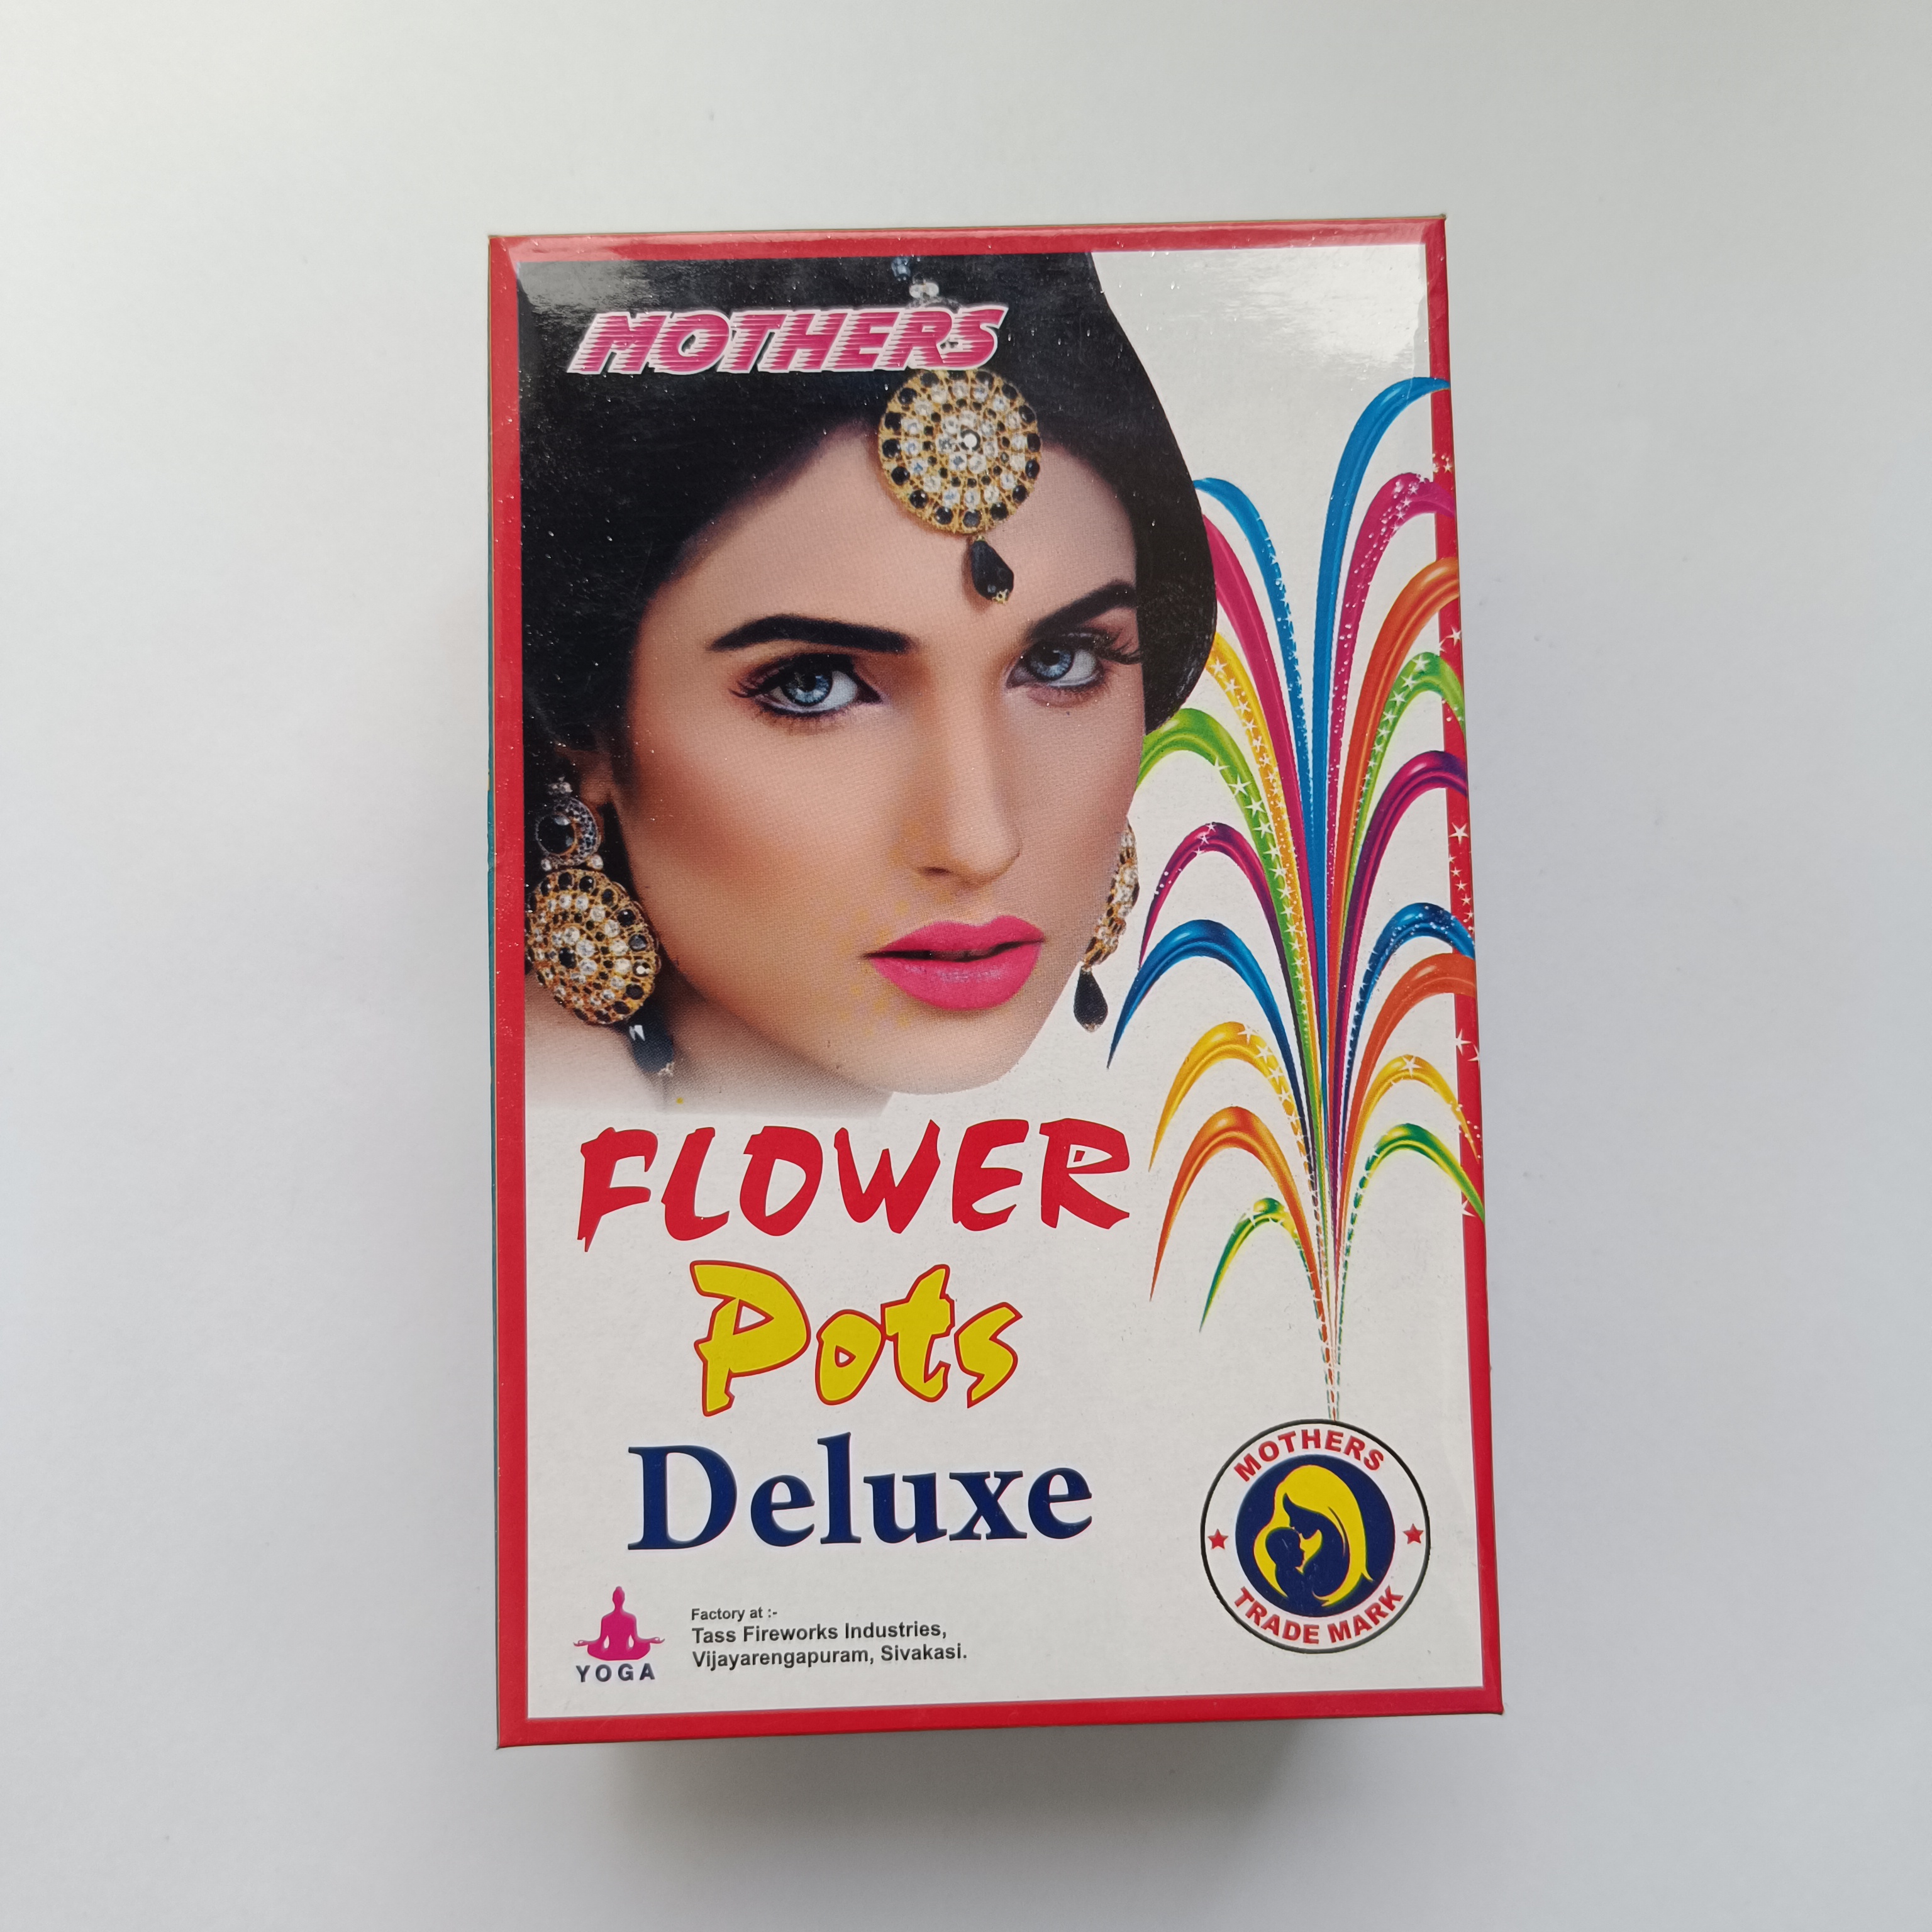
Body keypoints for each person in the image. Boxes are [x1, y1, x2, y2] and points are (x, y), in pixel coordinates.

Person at [516, 252, 1214, 1106]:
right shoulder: (512, 1125)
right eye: (815, 684)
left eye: (1058, 661)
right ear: (586, 728)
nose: (978, 844)